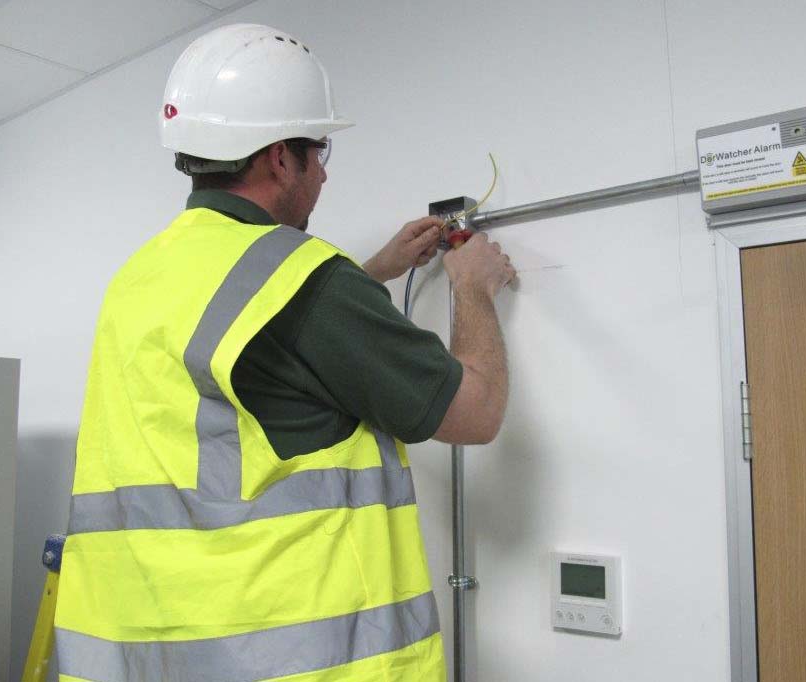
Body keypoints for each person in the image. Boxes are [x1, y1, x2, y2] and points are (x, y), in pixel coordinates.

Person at [52, 23, 514, 682]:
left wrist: (370, 272)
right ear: (278, 157)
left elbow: (256, 355)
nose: (323, 172)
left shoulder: (142, 276)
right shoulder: (306, 281)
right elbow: (478, 411)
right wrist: (474, 290)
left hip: (152, 654)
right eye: (318, 150)